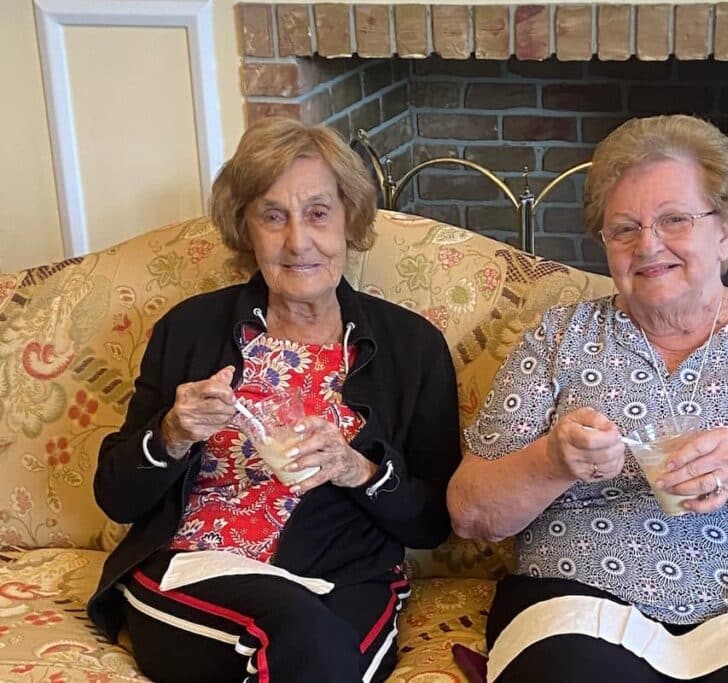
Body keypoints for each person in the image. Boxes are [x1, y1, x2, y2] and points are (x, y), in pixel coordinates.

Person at [447, 114, 728, 682]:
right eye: (625, 229)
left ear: (725, 231)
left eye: (675, 220)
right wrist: (552, 461)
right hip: (579, 610)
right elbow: (470, 512)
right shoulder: (558, 337)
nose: (649, 245)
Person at [88, 117, 461, 683]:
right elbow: (116, 496)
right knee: (305, 639)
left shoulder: (412, 347)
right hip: (195, 571)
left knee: (317, 646)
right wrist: (173, 434)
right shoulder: (190, 330)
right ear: (246, 229)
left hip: (347, 578)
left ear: (349, 221)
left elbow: (435, 520)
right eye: (272, 216)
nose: (297, 242)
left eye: (317, 213)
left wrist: (358, 469)